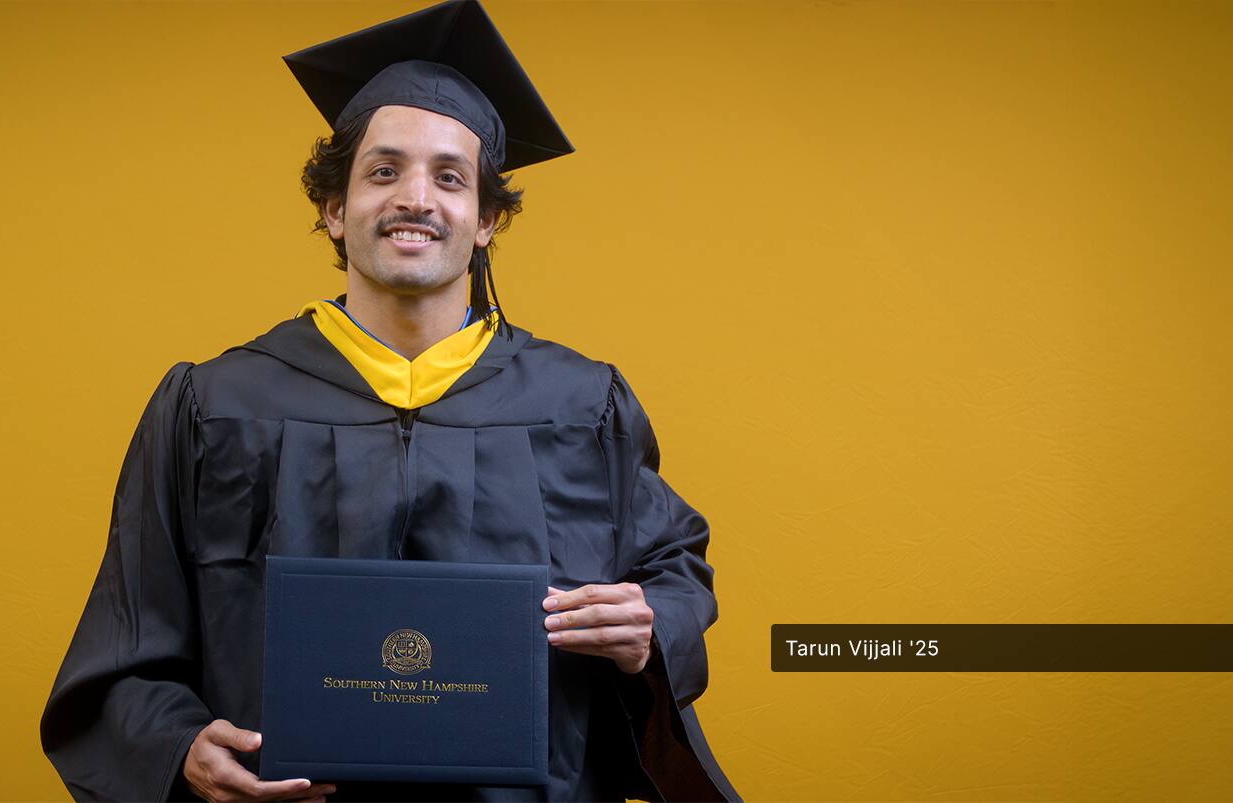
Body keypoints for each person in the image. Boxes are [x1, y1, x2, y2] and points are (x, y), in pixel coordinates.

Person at [41, 2, 739, 800]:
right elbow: (129, 637)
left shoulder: (583, 405)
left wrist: (649, 622)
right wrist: (177, 743)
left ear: (486, 221)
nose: (417, 198)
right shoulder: (214, 405)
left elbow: (674, 572)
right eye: (383, 171)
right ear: (335, 209)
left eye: (450, 176)